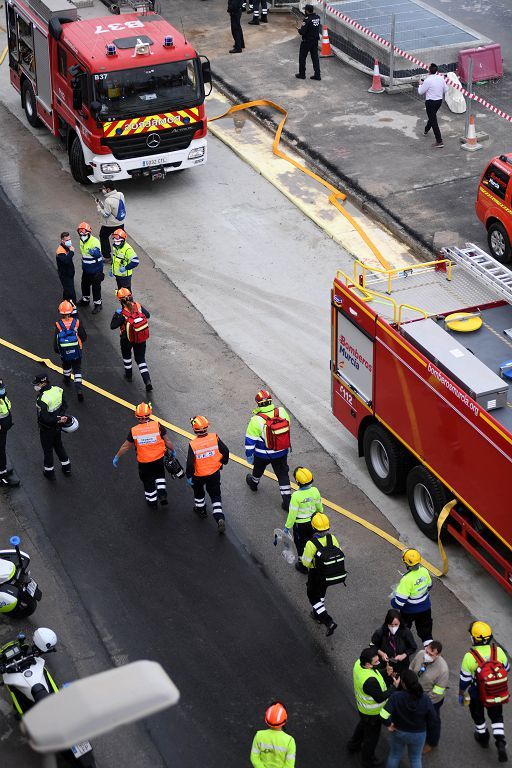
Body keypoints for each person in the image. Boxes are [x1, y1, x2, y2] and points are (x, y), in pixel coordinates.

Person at [459, 621, 509, 763]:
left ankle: (483, 738)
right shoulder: (497, 651)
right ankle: (500, 741)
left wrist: (461, 693)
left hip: (477, 694)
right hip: (495, 692)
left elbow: (464, 680)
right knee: (497, 716)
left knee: (478, 716)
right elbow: (506, 668)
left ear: (474, 638)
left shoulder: (469, 656)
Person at [113, 402, 175, 508]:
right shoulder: (157, 425)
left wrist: (117, 457)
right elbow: (167, 441)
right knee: (160, 475)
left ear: (137, 416)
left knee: (148, 481)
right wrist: (172, 451)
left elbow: (125, 447)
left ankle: (152, 502)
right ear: (149, 414)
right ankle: (162, 494)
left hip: (144, 462)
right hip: (158, 458)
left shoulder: (134, 431)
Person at [347, 646, 400, 768]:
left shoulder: (358, 665)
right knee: (371, 739)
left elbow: (375, 673)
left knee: (362, 726)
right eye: (375, 662)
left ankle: (353, 745)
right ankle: (368, 761)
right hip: (372, 714)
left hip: (363, 710)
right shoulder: (370, 682)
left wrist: (385, 672)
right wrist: (394, 687)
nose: (379, 662)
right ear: (367, 664)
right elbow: (380, 697)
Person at [380, 668, 437, 768]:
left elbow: (383, 715)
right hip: (418, 734)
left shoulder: (396, 696)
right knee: (415, 759)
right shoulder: (425, 699)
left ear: (403, 683)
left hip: (398, 731)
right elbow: (433, 718)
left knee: (394, 756)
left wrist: (389, 725)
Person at [245, 389, 291, 511]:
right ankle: (287, 501)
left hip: (262, 454)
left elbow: (249, 442)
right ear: (271, 401)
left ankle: (254, 483)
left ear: (258, 404)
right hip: (281, 451)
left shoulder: (256, 420)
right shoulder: (281, 411)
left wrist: (249, 456)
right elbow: (288, 426)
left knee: (258, 469)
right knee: (282, 474)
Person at [301, 512, 346, 636]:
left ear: (313, 527)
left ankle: (327, 620)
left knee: (312, 596)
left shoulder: (311, 544)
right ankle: (317, 614)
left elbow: (305, 563)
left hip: (316, 574)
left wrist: (313, 564)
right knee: (321, 594)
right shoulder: (332, 538)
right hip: (329, 574)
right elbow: (339, 552)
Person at [186, 415, 230, 534]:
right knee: (215, 495)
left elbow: (190, 463)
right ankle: (219, 517)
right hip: (214, 473)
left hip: (198, 475)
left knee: (199, 493)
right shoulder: (214, 437)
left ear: (194, 429)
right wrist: (222, 462)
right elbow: (225, 451)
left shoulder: (193, 444)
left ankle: (201, 510)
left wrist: (189, 476)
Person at [110, 288, 152, 392]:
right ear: (131, 296)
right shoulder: (138, 305)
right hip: (140, 338)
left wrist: (116, 315)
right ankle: (147, 381)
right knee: (141, 359)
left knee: (127, 357)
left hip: (126, 339)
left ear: (120, 301)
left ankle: (128, 375)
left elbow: (112, 326)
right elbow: (148, 315)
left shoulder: (123, 314)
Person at [410, 640, 449, 753]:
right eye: (427, 651)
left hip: (431, 700)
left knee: (433, 721)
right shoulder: (420, 654)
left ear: (438, 655)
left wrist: (423, 702)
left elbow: (437, 693)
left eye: (431, 654)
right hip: (415, 693)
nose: (426, 655)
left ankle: (432, 742)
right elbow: (411, 669)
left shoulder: (443, 669)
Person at [283, 466, 322, 573]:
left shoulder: (296, 496)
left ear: (297, 482)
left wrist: (287, 528)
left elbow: (292, 514)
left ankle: (303, 566)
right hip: (314, 524)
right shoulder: (315, 491)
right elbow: (320, 508)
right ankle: (316, 562)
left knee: (300, 546)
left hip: (300, 526)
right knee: (314, 543)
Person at [391, 549, 433, 647]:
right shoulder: (424, 571)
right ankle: (430, 650)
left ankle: (403, 648)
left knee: (404, 629)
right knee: (426, 631)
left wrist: (393, 601)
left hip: (408, 611)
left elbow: (399, 602)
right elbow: (430, 586)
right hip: (426, 608)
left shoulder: (406, 580)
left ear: (407, 564)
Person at [33, 373, 71, 480]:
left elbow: (44, 418)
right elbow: (64, 406)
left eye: (37, 384)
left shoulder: (42, 399)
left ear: (43, 383)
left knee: (48, 450)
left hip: (46, 429)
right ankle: (67, 467)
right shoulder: (58, 390)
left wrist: (57, 419)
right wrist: (61, 418)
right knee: (59, 446)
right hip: (58, 427)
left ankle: (49, 473)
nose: (36, 386)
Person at [370, 609, 417, 683]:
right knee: (386, 682)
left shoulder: (406, 632)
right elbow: (372, 645)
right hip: (385, 664)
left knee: (401, 683)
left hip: (402, 665)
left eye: (396, 625)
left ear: (400, 623)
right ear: (387, 623)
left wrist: (404, 655)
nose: (393, 627)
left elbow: (413, 647)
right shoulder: (380, 632)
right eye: (390, 625)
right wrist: (381, 653)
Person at [54, 301, 87, 402]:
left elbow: (55, 340)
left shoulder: (58, 325)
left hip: (64, 351)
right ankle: (79, 389)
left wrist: (57, 350)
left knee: (66, 366)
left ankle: (67, 380)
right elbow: (84, 336)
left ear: (60, 312)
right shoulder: (77, 322)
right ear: (71, 311)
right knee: (77, 369)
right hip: (77, 350)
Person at [250, 701, 296, 767]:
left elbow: (254, 759)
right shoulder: (290, 741)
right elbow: (289, 766)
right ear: (284, 720)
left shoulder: (259, 735)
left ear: (266, 719)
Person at [418, 63, 448, 148]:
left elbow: (420, 92)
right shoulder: (441, 78)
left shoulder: (427, 80)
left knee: (434, 121)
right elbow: (446, 89)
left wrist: (420, 84)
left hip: (430, 102)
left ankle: (439, 141)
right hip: (439, 101)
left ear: (429, 71)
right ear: (436, 70)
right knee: (432, 117)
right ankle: (426, 130)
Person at [76, 222, 104, 314]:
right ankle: (85, 300)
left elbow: (97, 253)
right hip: (86, 268)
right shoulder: (81, 241)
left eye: (84, 232)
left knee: (96, 287)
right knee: (84, 284)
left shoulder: (94, 241)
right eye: (80, 232)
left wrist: (93, 252)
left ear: (89, 232)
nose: (82, 234)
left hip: (96, 269)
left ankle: (98, 304)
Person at [96, 183, 126, 261]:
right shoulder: (120, 194)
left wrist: (99, 207)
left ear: (108, 189)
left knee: (103, 237)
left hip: (110, 224)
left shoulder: (108, 200)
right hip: (120, 222)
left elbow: (106, 214)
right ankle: (121, 256)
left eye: (103, 188)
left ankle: (107, 257)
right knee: (120, 239)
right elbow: (114, 208)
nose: (102, 190)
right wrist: (102, 204)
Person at [0, 379, 20, 488]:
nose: (2, 389)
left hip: (4, 428)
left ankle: (3, 471)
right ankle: (2, 478)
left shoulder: (2, 396)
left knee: (2, 450)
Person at [296, 5, 321, 81]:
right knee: (315, 58)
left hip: (306, 42)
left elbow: (302, 32)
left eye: (305, 10)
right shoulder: (317, 18)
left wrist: (299, 29)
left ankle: (302, 74)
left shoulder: (307, 20)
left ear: (307, 11)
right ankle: (317, 75)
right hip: (315, 41)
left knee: (302, 58)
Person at [55, 232, 76, 304]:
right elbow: (66, 260)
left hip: (69, 273)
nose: (69, 241)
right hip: (65, 275)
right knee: (71, 293)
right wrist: (71, 252)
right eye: (67, 240)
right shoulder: (60, 250)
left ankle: (65, 303)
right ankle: (73, 308)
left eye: (69, 239)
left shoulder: (67, 247)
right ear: (62, 241)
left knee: (67, 291)